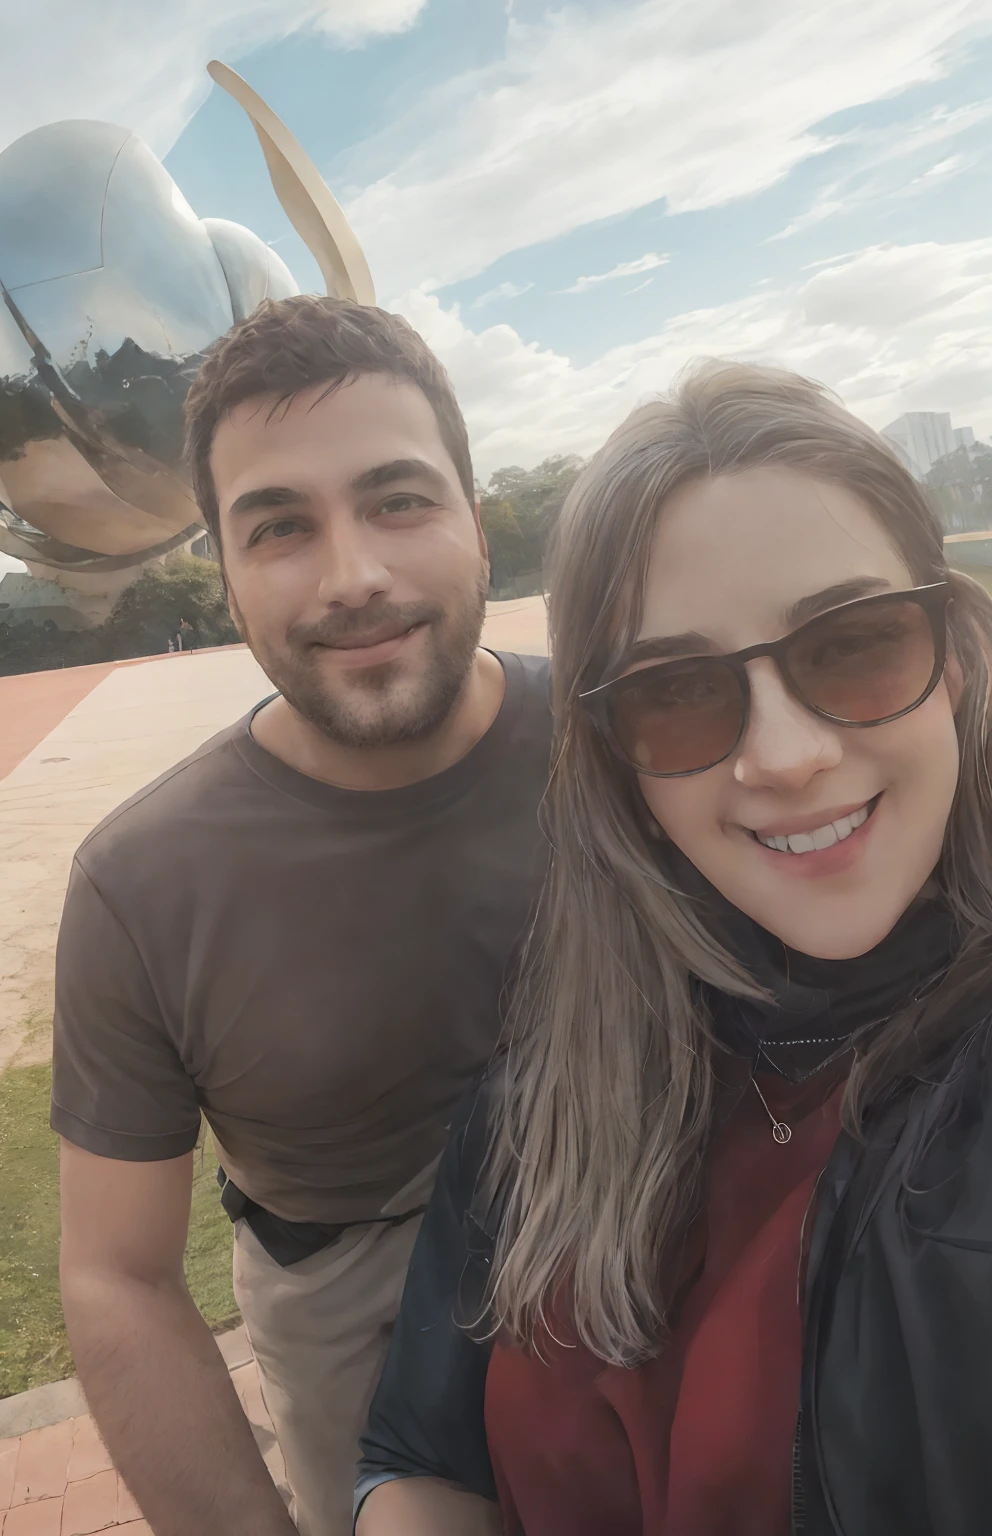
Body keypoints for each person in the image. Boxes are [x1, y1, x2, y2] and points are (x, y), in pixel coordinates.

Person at [357, 360, 992, 1536]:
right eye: (681, 691)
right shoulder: (547, 1087)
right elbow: (419, 1451)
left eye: (855, 644)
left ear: (951, 658)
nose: (787, 754)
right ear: (616, 761)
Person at [51, 296, 552, 1536]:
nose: (355, 576)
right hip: (350, 1308)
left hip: (657, 1228)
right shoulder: (141, 884)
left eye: (399, 499)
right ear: (223, 574)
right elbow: (117, 1277)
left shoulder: (638, 746)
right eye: (280, 527)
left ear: (475, 526)